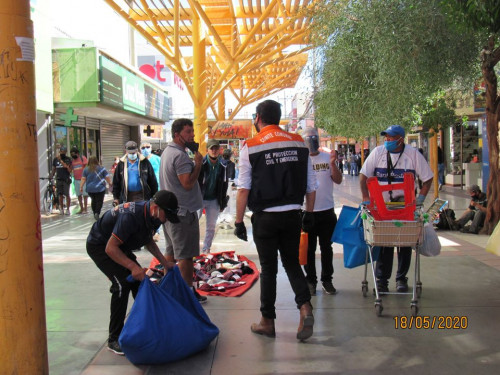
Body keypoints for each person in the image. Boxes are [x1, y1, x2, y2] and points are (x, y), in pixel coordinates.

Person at [234, 99, 318, 341]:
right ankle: (305, 307)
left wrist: (239, 221)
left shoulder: (250, 145)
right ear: (279, 117)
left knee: (269, 268)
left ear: (258, 118)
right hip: (293, 215)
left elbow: (243, 188)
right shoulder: (299, 142)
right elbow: (311, 185)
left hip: (265, 218)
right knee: (292, 263)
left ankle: (267, 321)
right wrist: (309, 214)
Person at [86, 190, 179, 355]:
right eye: (167, 215)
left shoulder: (154, 216)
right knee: (121, 284)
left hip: (120, 245)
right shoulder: (131, 216)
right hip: (100, 245)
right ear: (156, 208)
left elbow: (148, 241)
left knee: (140, 282)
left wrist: (165, 263)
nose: (166, 221)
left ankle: (145, 325)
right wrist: (133, 267)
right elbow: (110, 248)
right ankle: (114, 338)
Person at [359, 125, 433, 293]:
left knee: (404, 243)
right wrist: (366, 197)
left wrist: (420, 199)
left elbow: (428, 179)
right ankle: (382, 280)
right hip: (382, 208)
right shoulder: (378, 153)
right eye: (386, 137)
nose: (387, 140)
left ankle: (401, 278)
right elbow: (363, 176)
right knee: (384, 243)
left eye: (391, 138)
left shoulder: (413, 155)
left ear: (400, 138)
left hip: (405, 208)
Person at [159, 118, 207, 304]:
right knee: (185, 256)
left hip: (171, 213)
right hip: (182, 214)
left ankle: (168, 288)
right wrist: (198, 164)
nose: (192, 135)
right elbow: (187, 183)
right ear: (177, 134)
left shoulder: (167, 152)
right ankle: (188, 294)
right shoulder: (180, 156)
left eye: (192, 131)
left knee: (170, 253)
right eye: (188, 132)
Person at [301, 127, 342, 296]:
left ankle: (327, 280)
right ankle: (310, 281)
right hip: (307, 212)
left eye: (314, 138)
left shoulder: (327, 157)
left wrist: (332, 164)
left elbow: (338, 180)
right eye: (309, 138)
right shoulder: (301, 160)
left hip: (327, 211)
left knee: (327, 248)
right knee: (308, 249)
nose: (312, 141)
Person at [198, 139, 229, 253]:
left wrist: (222, 202)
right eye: (212, 148)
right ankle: (191, 249)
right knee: (193, 225)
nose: (214, 151)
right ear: (207, 150)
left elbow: (224, 184)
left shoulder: (223, 165)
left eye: (216, 148)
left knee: (211, 226)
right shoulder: (200, 163)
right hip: (199, 199)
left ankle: (206, 249)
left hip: (214, 200)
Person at [112, 141, 158, 205]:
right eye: (130, 153)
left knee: (141, 214)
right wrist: (116, 198)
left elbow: (153, 180)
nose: (132, 154)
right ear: (126, 151)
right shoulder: (121, 164)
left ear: (137, 151)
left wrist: (154, 196)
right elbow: (116, 182)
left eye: (134, 152)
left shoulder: (144, 162)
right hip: (127, 196)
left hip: (142, 195)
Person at [141, 141, 162, 241]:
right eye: (143, 147)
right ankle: (146, 232)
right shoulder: (140, 160)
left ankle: (156, 232)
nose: (145, 149)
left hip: (157, 189)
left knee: (156, 211)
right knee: (145, 212)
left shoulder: (158, 159)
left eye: (147, 147)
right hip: (144, 191)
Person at [81, 156, 113, 220]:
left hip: (90, 189)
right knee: (99, 201)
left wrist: (81, 187)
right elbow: (107, 177)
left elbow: (83, 179)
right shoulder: (101, 168)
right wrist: (110, 183)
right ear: (96, 160)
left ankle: (94, 212)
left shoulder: (86, 169)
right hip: (100, 188)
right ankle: (97, 213)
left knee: (94, 200)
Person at [49, 145, 72, 215]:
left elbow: (68, 168)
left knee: (67, 195)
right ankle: (61, 208)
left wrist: (60, 160)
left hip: (66, 179)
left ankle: (68, 209)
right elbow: (54, 169)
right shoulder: (55, 160)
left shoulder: (68, 159)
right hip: (59, 179)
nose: (62, 153)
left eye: (64, 152)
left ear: (65, 152)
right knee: (60, 195)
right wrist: (51, 175)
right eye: (61, 151)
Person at [70, 147, 88, 214]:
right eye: (71, 154)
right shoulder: (72, 161)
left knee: (85, 195)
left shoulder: (82, 158)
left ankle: (85, 209)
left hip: (83, 179)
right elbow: (71, 169)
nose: (72, 155)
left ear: (77, 153)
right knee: (79, 195)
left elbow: (86, 167)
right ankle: (81, 208)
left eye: (73, 154)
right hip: (76, 179)